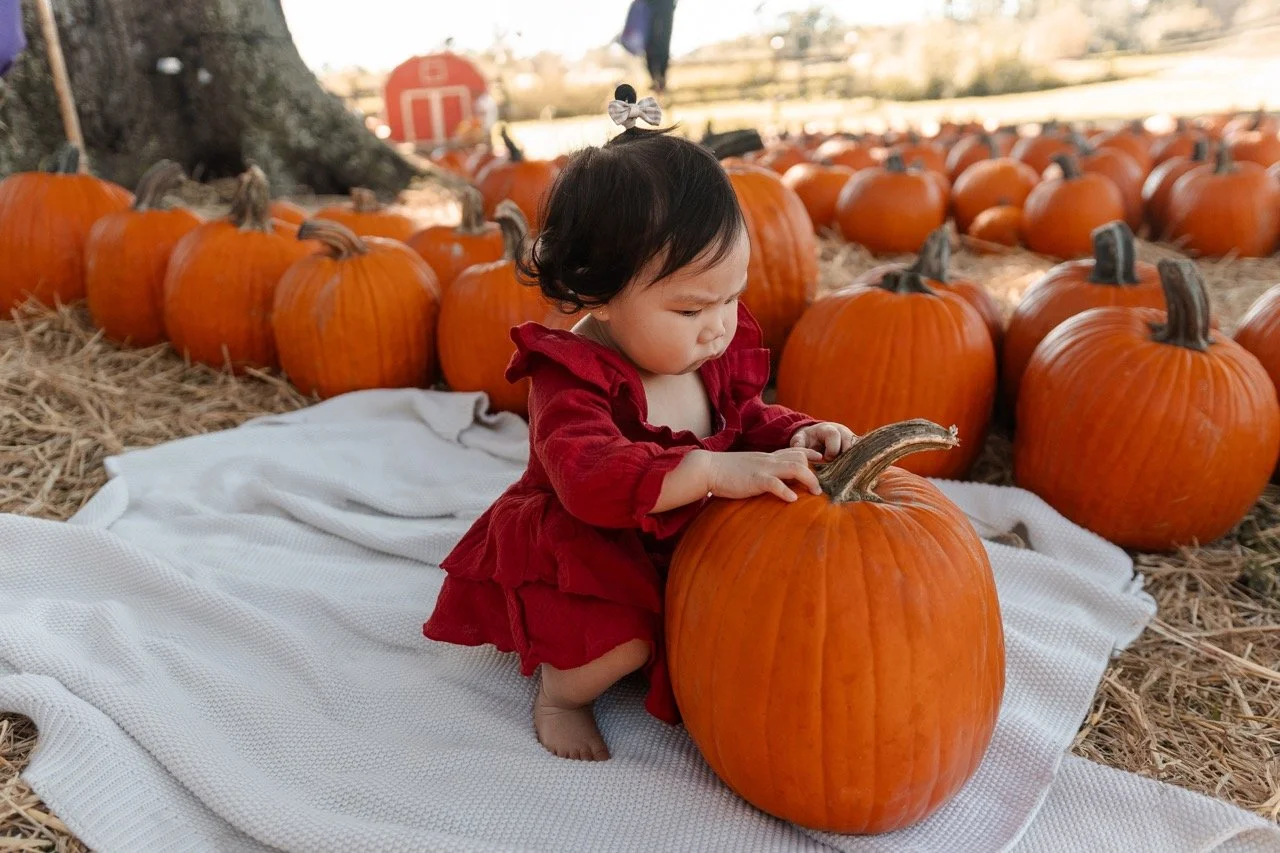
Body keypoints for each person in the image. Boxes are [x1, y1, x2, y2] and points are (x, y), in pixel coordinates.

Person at [423, 84, 855, 762]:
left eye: (732, 296)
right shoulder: (572, 377)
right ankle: (561, 697)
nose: (719, 326)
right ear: (597, 291)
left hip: (687, 538)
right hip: (596, 545)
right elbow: (589, 480)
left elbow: (743, 420)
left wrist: (795, 433)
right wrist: (709, 471)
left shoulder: (706, 350)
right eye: (691, 309)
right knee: (624, 641)